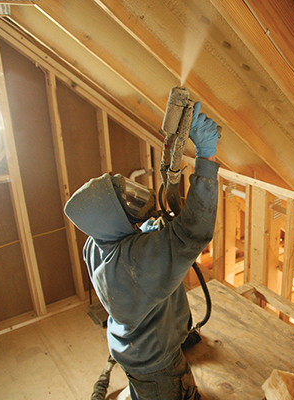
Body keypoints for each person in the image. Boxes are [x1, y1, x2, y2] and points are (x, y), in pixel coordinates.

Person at [64, 102, 219, 400]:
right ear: (110, 219)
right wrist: (206, 158)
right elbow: (193, 234)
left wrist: (147, 233)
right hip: (156, 361)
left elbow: (132, 260)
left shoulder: (96, 243)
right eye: (126, 201)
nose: (136, 199)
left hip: (128, 344)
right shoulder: (134, 264)